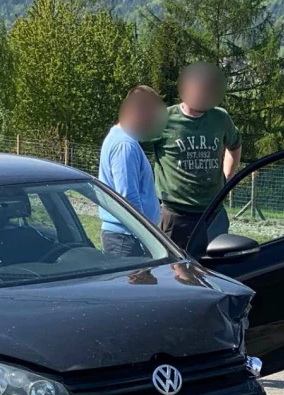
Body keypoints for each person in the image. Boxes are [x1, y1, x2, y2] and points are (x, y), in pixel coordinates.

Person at [148, 61, 242, 248]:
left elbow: (235, 144)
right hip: (176, 215)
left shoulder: (220, 118)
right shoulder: (164, 119)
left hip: (213, 213)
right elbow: (131, 144)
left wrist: (227, 177)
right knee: (172, 272)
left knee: (216, 269)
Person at [97, 86, 166, 256]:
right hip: (127, 239)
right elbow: (128, 197)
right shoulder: (125, 145)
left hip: (127, 236)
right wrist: (147, 237)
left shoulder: (120, 138)